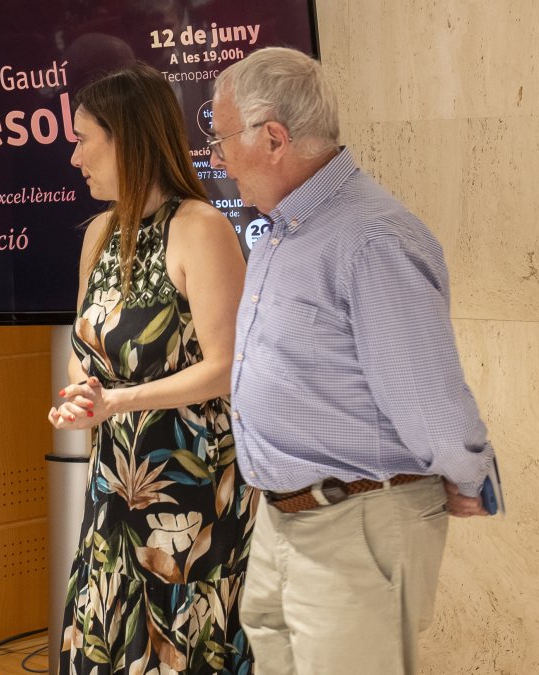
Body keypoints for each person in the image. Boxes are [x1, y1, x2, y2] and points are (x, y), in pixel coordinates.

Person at [211, 47, 496, 674]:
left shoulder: (371, 238)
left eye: (221, 139)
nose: (216, 159)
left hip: (357, 521)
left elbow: (425, 394)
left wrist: (468, 473)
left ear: (274, 138)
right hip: (285, 519)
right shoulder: (282, 230)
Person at [49, 62, 254, 674]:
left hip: (190, 484)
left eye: (83, 140)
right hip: (115, 478)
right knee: (106, 636)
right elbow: (85, 347)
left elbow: (226, 367)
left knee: (184, 649)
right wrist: (82, 395)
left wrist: (119, 401)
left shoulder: (201, 228)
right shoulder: (99, 233)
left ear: (127, 139)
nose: (74, 158)